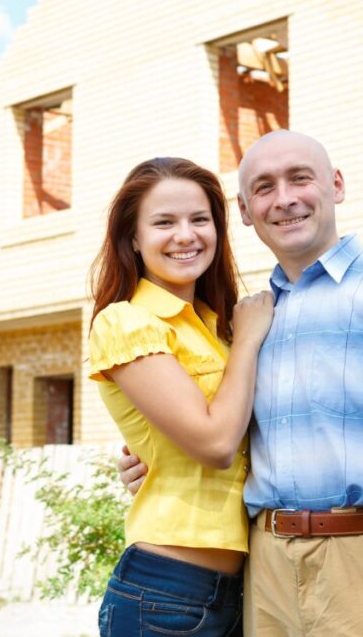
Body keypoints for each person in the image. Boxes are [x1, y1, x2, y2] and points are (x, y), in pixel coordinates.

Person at [118, 131, 363, 636]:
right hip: (266, 568)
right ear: (245, 211)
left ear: (337, 185)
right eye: (264, 187)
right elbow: (219, 433)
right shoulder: (248, 321)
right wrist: (160, 460)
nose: (285, 198)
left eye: (300, 178)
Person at [88, 157, 274, 637]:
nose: (185, 235)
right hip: (165, 595)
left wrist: (150, 458)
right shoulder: (126, 323)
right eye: (164, 222)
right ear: (132, 237)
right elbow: (214, 445)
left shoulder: (220, 329)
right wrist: (251, 340)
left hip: (241, 588)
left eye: (199, 219)